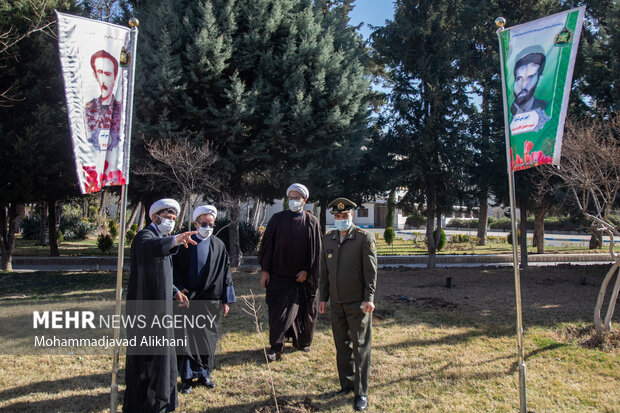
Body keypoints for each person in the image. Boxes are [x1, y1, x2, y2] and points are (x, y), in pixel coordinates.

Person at [123, 198, 196, 413]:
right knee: (147, 360)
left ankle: (162, 402)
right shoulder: (145, 237)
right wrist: (174, 240)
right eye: (167, 218)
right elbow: (149, 248)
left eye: (173, 219)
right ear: (155, 217)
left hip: (162, 310)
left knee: (164, 360)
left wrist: (175, 292)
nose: (171, 223)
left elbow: (161, 275)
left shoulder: (161, 239)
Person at [318, 198, 377, 412]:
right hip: (336, 304)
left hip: (358, 304)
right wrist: (322, 298)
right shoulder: (328, 239)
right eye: (337, 216)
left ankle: (361, 392)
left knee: (360, 346)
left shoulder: (363, 239)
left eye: (345, 216)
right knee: (342, 345)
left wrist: (369, 298)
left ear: (352, 215)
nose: (341, 219)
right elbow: (324, 273)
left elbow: (370, 272)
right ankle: (347, 384)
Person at [172, 205, 236, 394]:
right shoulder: (184, 243)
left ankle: (204, 374)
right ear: (195, 223)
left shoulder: (219, 245)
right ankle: (186, 378)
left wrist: (226, 300)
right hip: (187, 299)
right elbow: (172, 268)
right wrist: (177, 288)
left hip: (211, 301)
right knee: (185, 340)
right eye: (204, 224)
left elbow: (226, 273)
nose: (208, 227)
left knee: (208, 339)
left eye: (211, 224)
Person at [258, 183, 322, 361]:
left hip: (302, 278)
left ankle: (302, 342)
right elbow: (267, 247)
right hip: (279, 276)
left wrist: (307, 272)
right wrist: (265, 271)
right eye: (291, 198)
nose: (294, 201)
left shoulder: (312, 222)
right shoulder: (277, 219)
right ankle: (275, 348)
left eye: (297, 198)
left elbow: (316, 252)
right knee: (279, 314)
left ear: (304, 200)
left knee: (304, 312)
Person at [85, 49, 122, 151]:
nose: (103, 80)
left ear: (115, 77)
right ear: (95, 75)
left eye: (108, 74)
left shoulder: (122, 110)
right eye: (100, 72)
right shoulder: (87, 109)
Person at [510, 46, 548, 116]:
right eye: (519, 79)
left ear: (539, 80)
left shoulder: (546, 107)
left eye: (530, 78)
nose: (524, 85)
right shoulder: (509, 113)